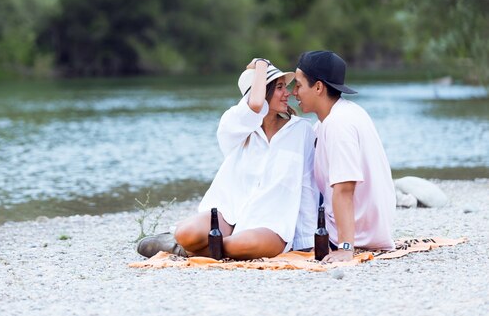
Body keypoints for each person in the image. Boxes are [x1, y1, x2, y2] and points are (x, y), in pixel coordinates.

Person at [137, 58, 318, 260]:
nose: (288, 93)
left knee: (241, 244)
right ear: (261, 91)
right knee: (185, 232)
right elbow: (256, 105)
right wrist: (261, 64)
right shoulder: (234, 127)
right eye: (279, 87)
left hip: (270, 223)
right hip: (227, 212)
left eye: (286, 86)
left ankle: (180, 249)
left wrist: (308, 240)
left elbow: (308, 185)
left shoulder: (302, 130)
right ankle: (180, 241)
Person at [292, 50, 396, 263]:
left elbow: (344, 188)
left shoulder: (339, 125)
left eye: (299, 85)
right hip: (364, 226)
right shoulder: (335, 118)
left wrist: (346, 247)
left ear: (318, 87)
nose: (294, 92)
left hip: (358, 234)